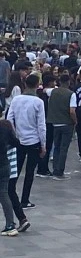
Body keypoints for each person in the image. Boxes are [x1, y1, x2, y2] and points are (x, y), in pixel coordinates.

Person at [6, 73, 46, 210]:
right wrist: (43, 144)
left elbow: (9, 118)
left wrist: (14, 134)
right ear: (36, 85)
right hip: (33, 140)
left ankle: (10, 195)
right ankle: (25, 199)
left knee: (15, 170)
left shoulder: (16, 100)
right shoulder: (38, 102)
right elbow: (41, 125)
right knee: (30, 172)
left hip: (18, 139)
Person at [46, 74, 75, 180]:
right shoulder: (71, 94)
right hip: (67, 123)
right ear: (68, 82)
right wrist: (75, 121)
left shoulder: (52, 91)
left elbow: (44, 90)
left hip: (55, 123)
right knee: (64, 148)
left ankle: (55, 169)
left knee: (57, 147)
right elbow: (72, 111)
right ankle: (60, 171)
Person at [0, 119, 20, 236]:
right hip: (4, 165)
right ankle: (10, 225)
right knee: (4, 194)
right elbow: (16, 143)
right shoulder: (5, 128)